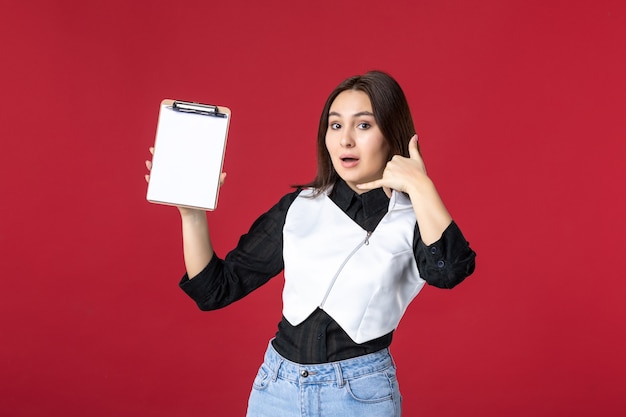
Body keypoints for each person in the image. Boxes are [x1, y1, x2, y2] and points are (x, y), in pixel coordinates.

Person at [145, 70, 476, 416]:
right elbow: (215, 290)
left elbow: (449, 271)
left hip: (360, 395)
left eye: (363, 126)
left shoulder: (416, 218)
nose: (345, 140)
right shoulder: (299, 207)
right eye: (335, 125)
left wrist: (422, 187)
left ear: (392, 135)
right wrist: (192, 214)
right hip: (277, 388)